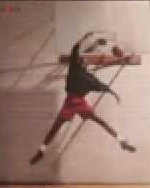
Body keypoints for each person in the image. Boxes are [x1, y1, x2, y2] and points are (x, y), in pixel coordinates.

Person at [28, 31, 137, 166]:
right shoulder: (75, 68)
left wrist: (114, 92)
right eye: (83, 59)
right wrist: (85, 38)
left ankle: (122, 141)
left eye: (85, 61)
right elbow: (75, 49)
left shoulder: (89, 77)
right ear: (80, 62)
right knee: (55, 127)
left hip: (79, 101)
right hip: (70, 102)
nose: (84, 60)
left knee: (100, 121)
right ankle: (41, 151)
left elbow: (103, 86)